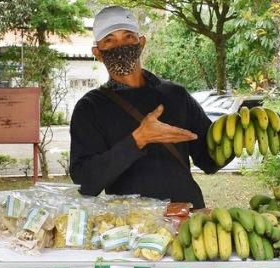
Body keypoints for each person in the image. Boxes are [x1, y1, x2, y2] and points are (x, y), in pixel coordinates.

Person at [69, 6, 228, 209]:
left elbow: (209, 161)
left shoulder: (176, 95)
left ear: (141, 43)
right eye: (110, 40)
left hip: (187, 220)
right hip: (135, 228)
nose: (121, 46)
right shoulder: (89, 108)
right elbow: (85, 183)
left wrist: (236, 139)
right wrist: (139, 139)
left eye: (128, 37)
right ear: (98, 53)